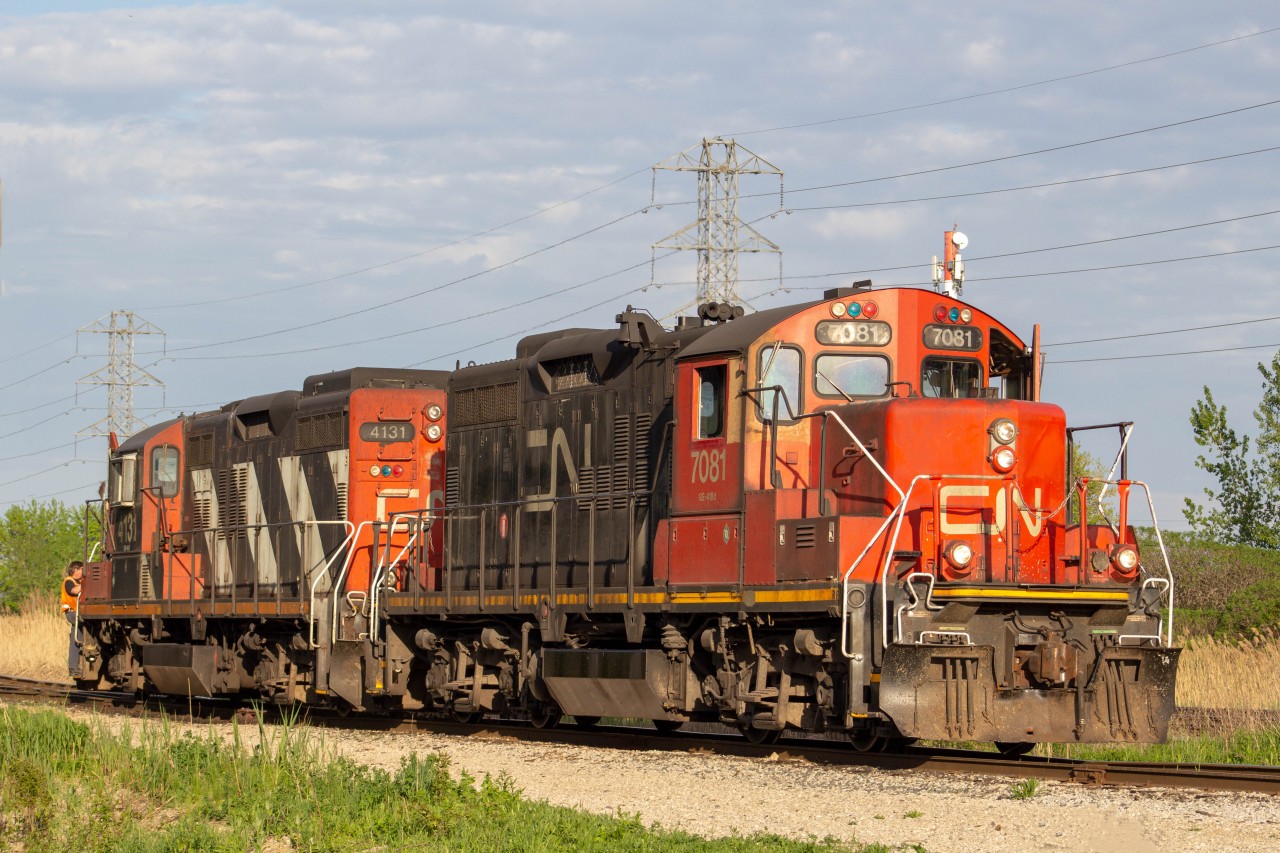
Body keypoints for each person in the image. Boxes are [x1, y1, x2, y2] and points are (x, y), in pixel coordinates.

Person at [61, 560, 84, 678]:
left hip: (78, 613)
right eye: (81, 569)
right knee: (77, 638)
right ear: (75, 570)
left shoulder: (79, 581)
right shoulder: (69, 581)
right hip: (72, 614)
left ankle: (74, 667)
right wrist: (86, 583)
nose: (83, 572)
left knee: (77, 638)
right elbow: (74, 591)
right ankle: (73, 666)